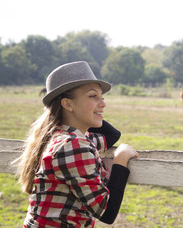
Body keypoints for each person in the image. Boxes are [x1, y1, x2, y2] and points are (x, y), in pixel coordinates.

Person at [14, 61, 139, 227]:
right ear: (67, 104)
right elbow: (107, 212)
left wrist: (92, 111)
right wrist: (121, 160)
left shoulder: (59, 137)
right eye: (93, 96)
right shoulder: (72, 145)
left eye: (102, 97)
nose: (103, 103)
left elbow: (112, 134)